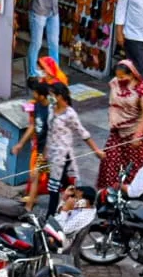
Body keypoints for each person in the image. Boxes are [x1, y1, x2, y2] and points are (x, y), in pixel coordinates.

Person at [44, 83, 104, 217]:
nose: (50, 97)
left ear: (60, 96)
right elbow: (50, 131)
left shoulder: (69, 114)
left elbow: (83, 133)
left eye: (52, 95)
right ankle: (74, 205)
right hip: (52, 154)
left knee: (54, 187)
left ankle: (50, 216)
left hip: (62, 156)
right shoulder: (51, 108)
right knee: (65, 184)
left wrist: (96, 150)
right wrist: (45, 152)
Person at [98, 60, 143, 189]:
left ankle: (133, 190)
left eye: (123, 77)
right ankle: (109, 192)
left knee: (135, 165)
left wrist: (138, 135)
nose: (119, 79)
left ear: (132, 75)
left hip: (135, 132)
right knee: (110, 161)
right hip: (118, 131)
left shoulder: (141, 90)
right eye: (118, 76)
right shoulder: (115, 83)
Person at [11, 78, 50, 211]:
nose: (33, 95)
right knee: (36, 178)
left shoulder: (50, 111)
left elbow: (51, 136)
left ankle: (29, 207)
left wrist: (44, 156)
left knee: (36, 176)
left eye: (35, 93)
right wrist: (20, 144)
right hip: (38, 147)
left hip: (47, 149)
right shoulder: (37, 105)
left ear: (42, 95)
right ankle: (32, 202)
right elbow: (32, 126)